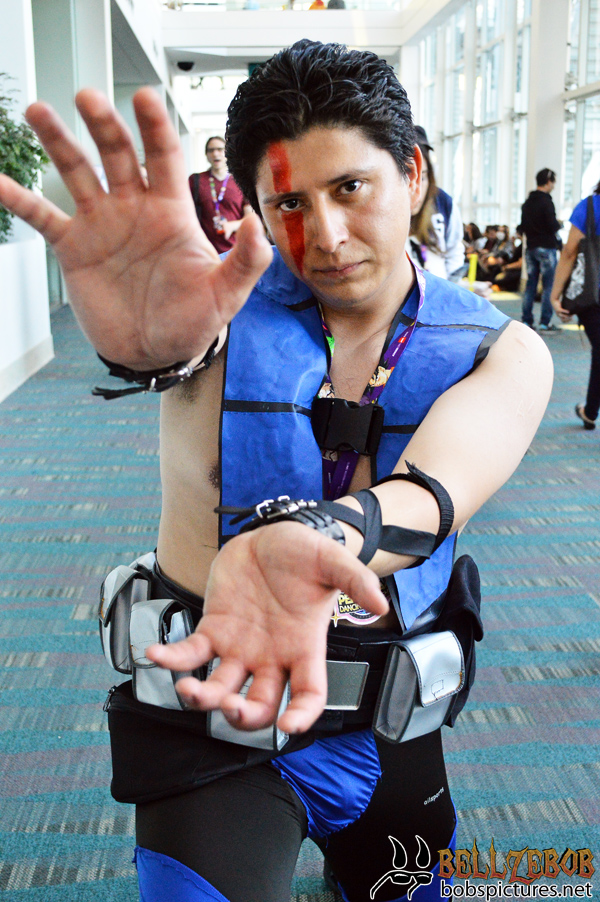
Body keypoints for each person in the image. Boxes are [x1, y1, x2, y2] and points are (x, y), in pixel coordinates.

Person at [0, 41, 552, 902]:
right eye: (290, 202)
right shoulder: (212, 320)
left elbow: (432, 494)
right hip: (210, 728)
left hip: (390, 729)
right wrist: (147, 347)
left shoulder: (502, 351)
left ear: (412, 175)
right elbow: (176, 352)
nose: (324, 235)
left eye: (350, 188)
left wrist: (312, 537)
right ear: (256, 208)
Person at [550, 179, 600, 431]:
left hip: (593, 295)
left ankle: (590, 411)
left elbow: (569, 252)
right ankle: (590, 410)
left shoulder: (590, 207)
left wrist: (555, 295)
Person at [408, 126, 465, 281]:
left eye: (423, 177)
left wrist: (451, 287)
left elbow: (454, 250)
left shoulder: (444, 203)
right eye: (407, 177)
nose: (416, 188)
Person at [189, 135, 252, 253]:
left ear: (226, 153)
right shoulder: (196, 180)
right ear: (206, 154)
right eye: (211, 150)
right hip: (205, 252)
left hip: (235, 251)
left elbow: (250, 217)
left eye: (219, 149)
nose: (215, 154)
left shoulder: (240, 182)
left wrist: (232, 225)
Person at [519, 167, 562, 331]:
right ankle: (545, 322)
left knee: (530, 285)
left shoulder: (527, 203)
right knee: (548, 285)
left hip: (531, 248)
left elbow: (522, 226)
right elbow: (552, 226)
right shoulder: (546, 202)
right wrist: (559, 224)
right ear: (548, 182)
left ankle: (526, 320)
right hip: (546, 247)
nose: (554, 186)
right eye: (553, 183)